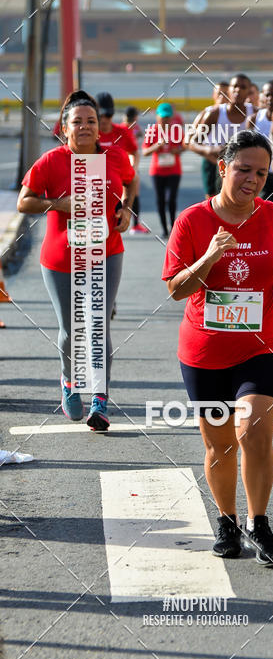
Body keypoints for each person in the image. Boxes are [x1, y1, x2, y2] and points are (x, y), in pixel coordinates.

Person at [162, 129, 273, 565]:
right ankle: (226, 520)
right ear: (222, 168)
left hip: (265, 345)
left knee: (253, 432)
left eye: (261, 172)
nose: (253, 179)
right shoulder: (192, 220)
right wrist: (208, 256)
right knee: (220, 445)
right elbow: (176, 290)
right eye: (243, 169)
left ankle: (258, 523)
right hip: (206, 352)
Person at [17, 90, 137, 430]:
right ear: (64, 129)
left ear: (100, 128)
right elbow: (24, 203)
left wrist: (126, 210)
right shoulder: (51, 162)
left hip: (106, 253)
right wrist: (57, 204)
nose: (85, 126)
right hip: (60, 259)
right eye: (77, 122)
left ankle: (100, 399)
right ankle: (69, 381)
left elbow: (131, 181)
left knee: (97, 324)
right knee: (71, 331)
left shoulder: (114, 156)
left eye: (91, 121)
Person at [187, 74, 253, 198]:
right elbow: (192, 143)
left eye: (243, 87)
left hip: (245, 168)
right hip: (215, 164)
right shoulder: (214, 113)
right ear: (229, 90)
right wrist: (210, 150)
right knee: (215, 203)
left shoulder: (255, 113)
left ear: (249, 92)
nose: (237, 90)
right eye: (235, 86)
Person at [142, 101, 185, 238]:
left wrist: (177, 150)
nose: (165, 120)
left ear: (171, 117)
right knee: (160, 200)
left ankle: (173, 227)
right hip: (157, 171)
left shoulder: (177, 130)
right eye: (163, 117)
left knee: (172, 199)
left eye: (168, 117)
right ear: (157, 117)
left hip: (174, 170)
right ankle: (164, 229)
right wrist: (156, 146)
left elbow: (186, 145)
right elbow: (144, 151)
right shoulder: (152, 131)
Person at [121, 105, 150, 234]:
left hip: (121, 164)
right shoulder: (134, 128)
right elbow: (139, 135)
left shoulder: (120, 128)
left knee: (120, 195)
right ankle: (135, 225)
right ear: (135, 117)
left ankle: (121, 221)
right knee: (134, 195)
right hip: (131, 165)